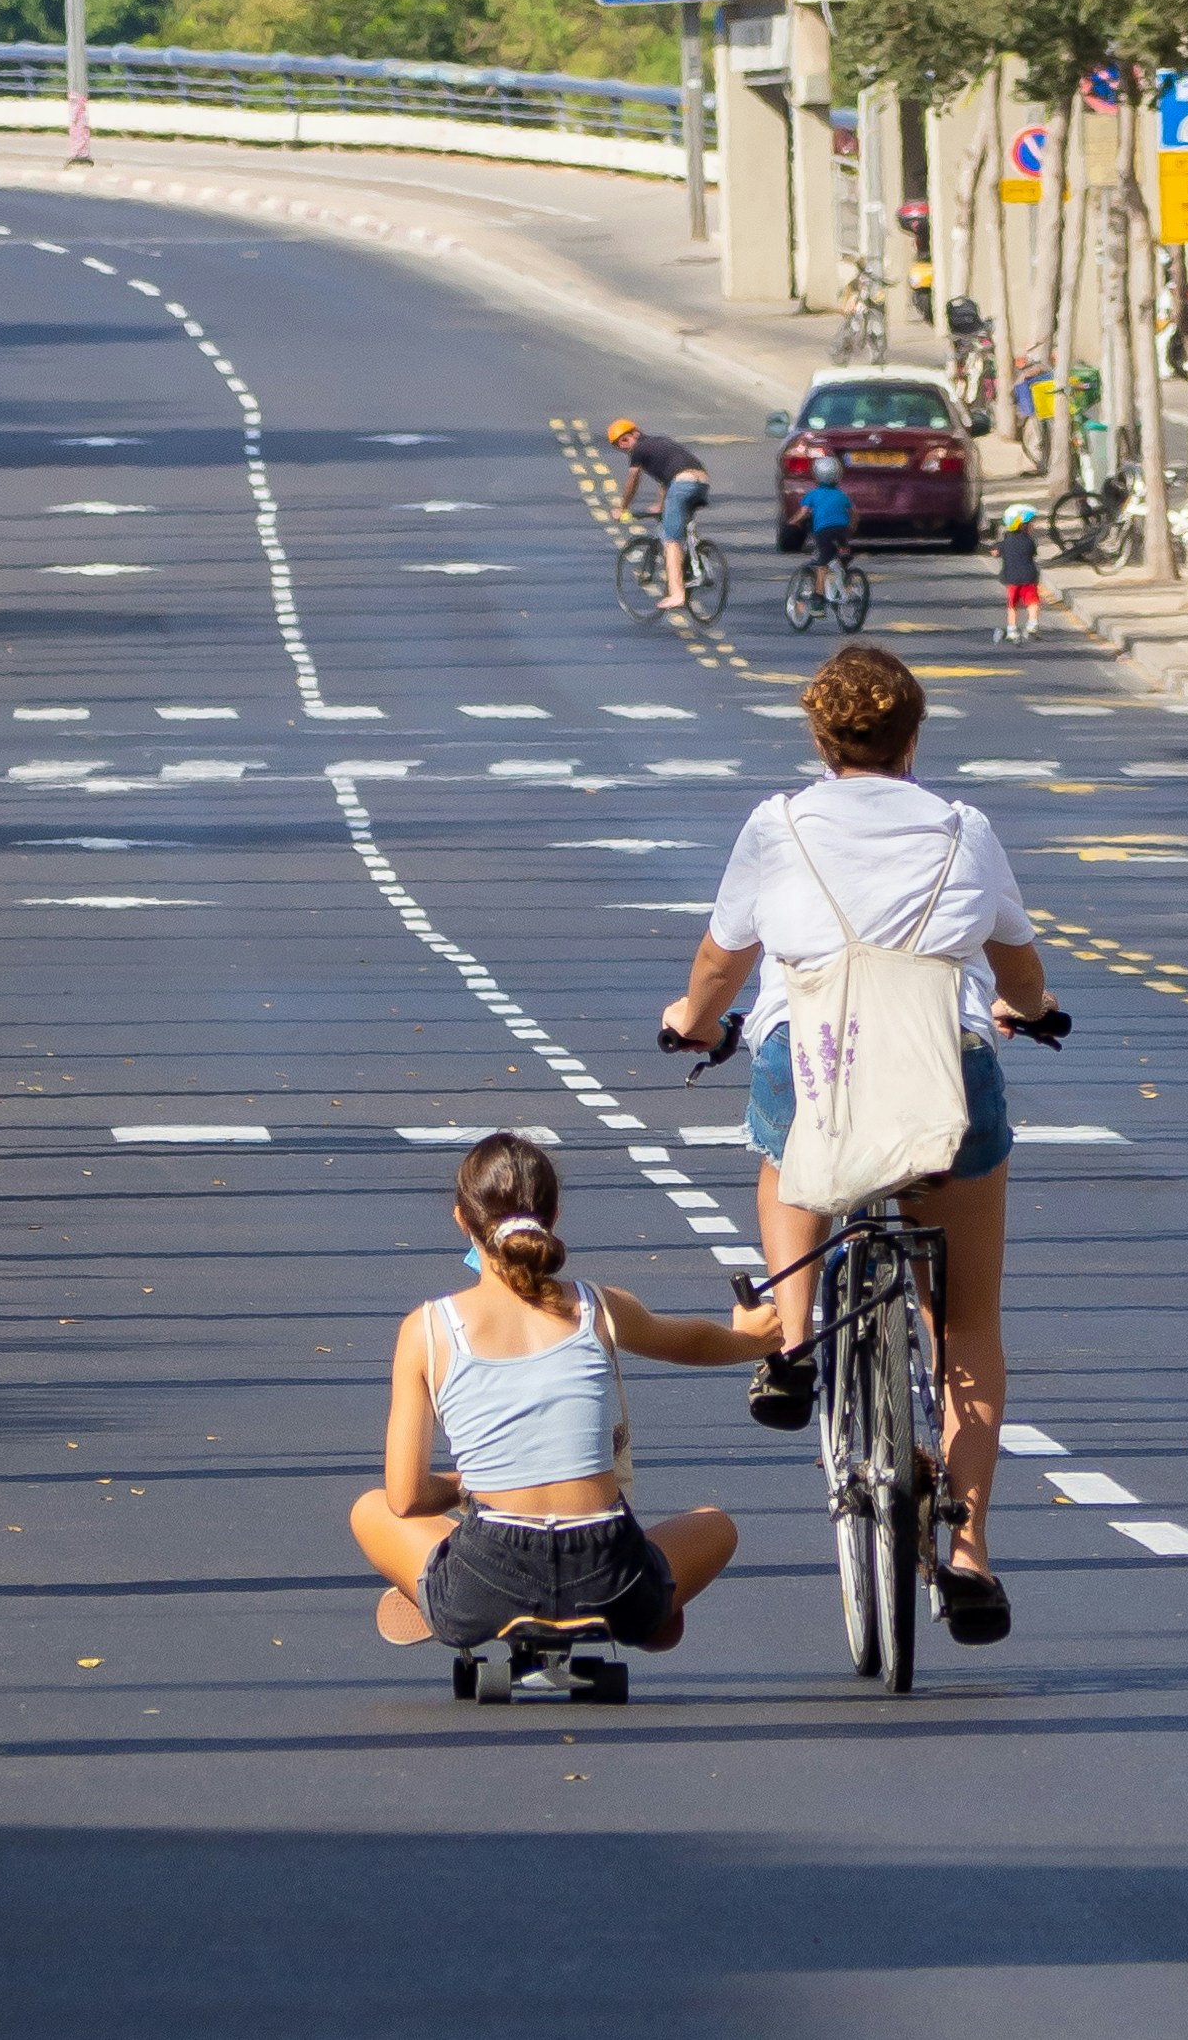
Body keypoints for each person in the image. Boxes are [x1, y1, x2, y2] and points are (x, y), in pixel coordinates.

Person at [655, 644, 1051, 1646]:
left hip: (817, 1065)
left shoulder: (777, 827)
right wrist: (1030, 1008)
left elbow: (721, 958)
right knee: (965, 1320)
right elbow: (1017, 962)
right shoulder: (965, 830)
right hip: (944, 1078)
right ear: (915, 738)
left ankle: (793, 1338)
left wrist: (695, 1020)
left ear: (821, 739)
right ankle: (966, 1549)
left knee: (789, 1150)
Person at [349, 1131, 781, 1655]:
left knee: (370, 1509)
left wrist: (464, 1487)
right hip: (608, 1568)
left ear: (462, 1220)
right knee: (717, 1528)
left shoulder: (426, 1330)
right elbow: (687, 1340)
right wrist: (749, 1340)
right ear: (552, 1218)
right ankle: (635, 1607)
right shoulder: (597, 1307)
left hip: (488, 1578)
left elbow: (407, 1496)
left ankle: (451, 1598)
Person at [608, 416, 711, 613]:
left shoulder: (639, 450)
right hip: (701, 482)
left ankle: (677, 594)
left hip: (682, 484)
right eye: (619, 445)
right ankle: (698, 555)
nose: (624, 447)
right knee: (681, 522)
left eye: (624, 441)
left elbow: (633, 480)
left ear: (633, 435)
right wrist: (659, 505)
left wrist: (623, 508)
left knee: (671, 541)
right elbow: (668, 478)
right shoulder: (660, 443)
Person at [802, 451, 855, 604]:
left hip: (824, 531)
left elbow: (804, 512)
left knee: (822, 564)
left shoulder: (813, 494)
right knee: (843, 553)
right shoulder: (841, 495)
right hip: (842, 530)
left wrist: (793, 521)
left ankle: (818, 599)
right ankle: (845, 577)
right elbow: (853, 511)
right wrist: (852, 525)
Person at [996, 502, 1040, 642]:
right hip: (1028, 579)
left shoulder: (1006, 542)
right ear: (1022, 525)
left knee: (1012, 606)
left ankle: (1012, 629)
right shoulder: (1030, 542)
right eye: (1031, 523)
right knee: (1032, 602)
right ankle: (1032, 623)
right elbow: (1033, 554)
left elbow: (997, 551)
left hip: (1012, 580)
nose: (1033, 526)